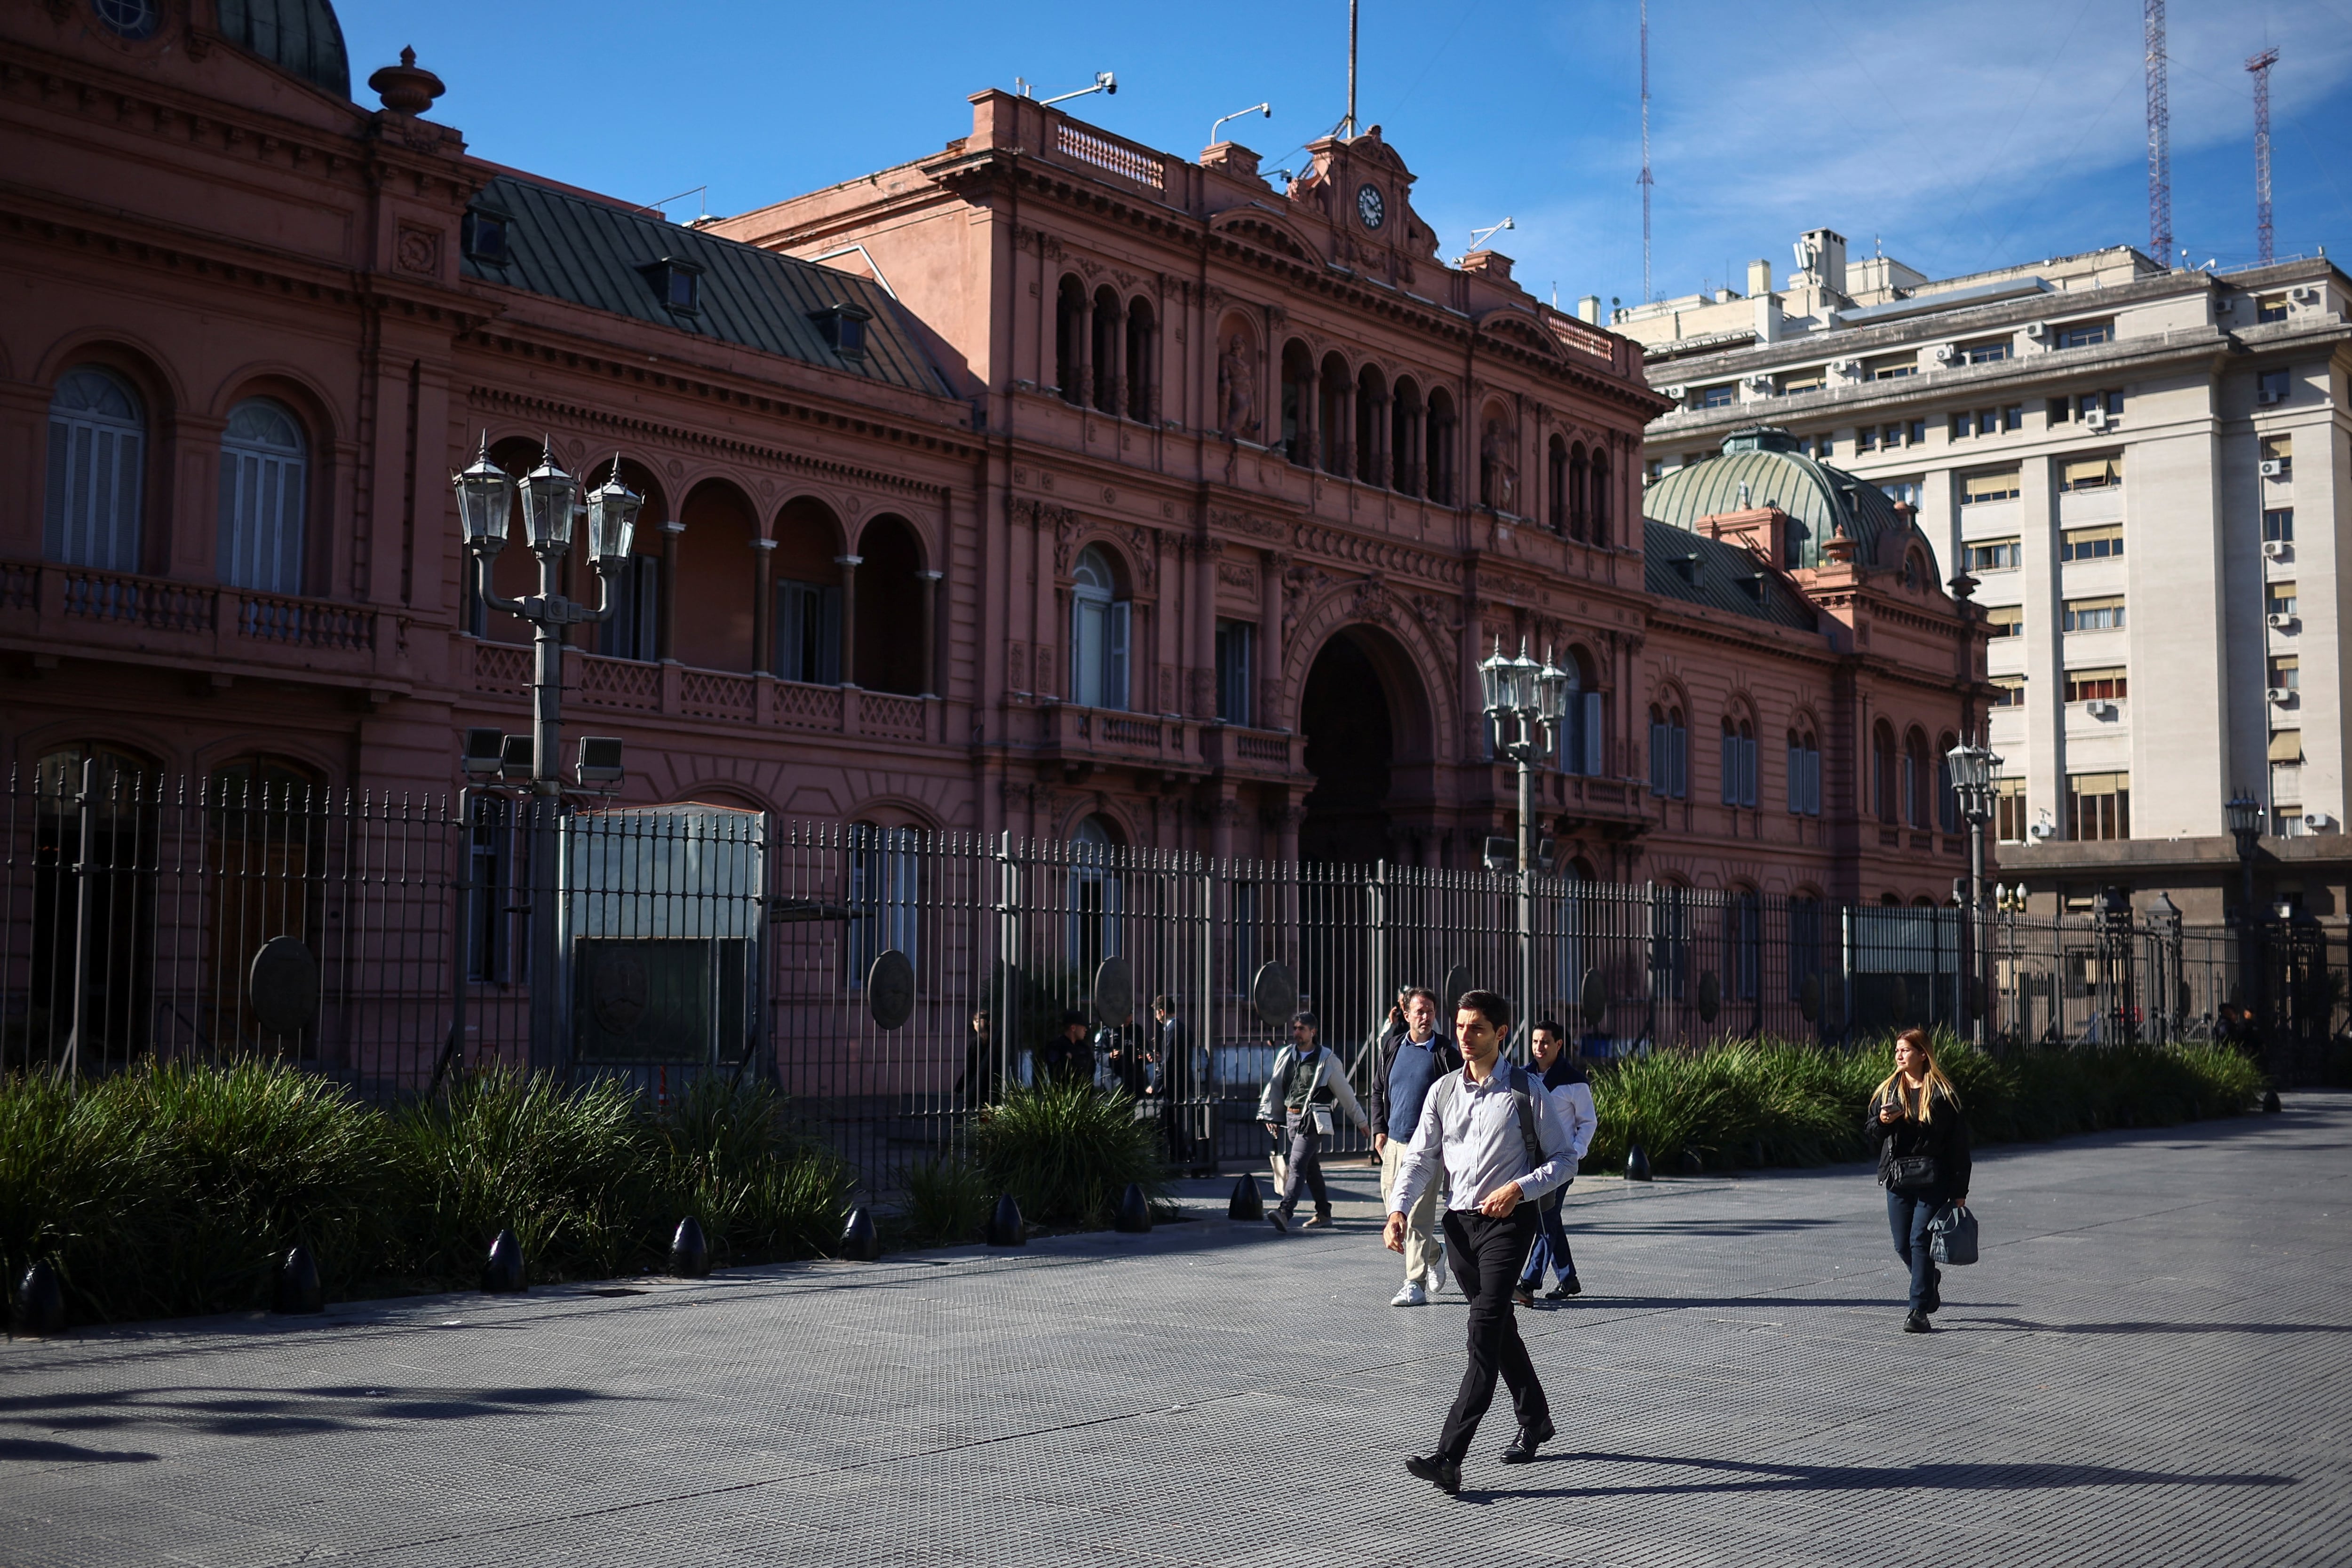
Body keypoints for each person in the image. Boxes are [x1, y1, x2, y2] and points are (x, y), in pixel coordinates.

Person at [1387, 990, 1579, 1495]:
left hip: (1508, 1224)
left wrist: (1519, 1188)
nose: (1464, 1037)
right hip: (1459, 1226)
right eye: (1460, 1026)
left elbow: (1563, 1159)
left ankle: (1449, 1456)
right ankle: (1535, 1418)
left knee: (1482, 1333)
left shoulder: (1525, 1090)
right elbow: (1422, 1157)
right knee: (1499, 1329)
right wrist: (1398, 1209)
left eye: (1476, 1028)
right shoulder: (1443, 1091)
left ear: (1500, 1032)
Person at [1867, 1027, 1971, 1334]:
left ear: (1923, 1055)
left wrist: (1959, 1190)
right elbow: (1871, 1134)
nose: (1899, 1055)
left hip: (1932, 1180)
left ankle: (1918, 1311)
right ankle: (1928, 1280)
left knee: (1919, 1242)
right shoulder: (1888, 1091)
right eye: (1897, 1050)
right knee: (1902, 1245)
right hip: (1898, 1178)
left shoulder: (1942, 1094)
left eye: (1906, 1050)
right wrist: (1883, 1122)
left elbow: (1959, 1145)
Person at [1366, 986, 1461, 1306]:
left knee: (1419, 1216)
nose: (1426, 1017)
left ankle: (1414, 1283)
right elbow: (1379, 1088)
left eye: (1430, 1011)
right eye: (1419, 1011)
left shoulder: (1446, 1053)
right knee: (1396, 1214)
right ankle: (1435, 1254)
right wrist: (1379, 1129)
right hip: (1394, 1144)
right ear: (1406, 1015)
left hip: (1428, 1148)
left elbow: (1459, 1100)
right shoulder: (1393, 1047)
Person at [1255, 1010, 1369, 1231]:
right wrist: (1270, 1114)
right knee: (1311, 1169)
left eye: (1302, 1029)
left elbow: (1346, 1094)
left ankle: (1285, 1212)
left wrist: (1361, 1121)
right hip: (1291, 1117)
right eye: (1295, 1028)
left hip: (1312, 1120)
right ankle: (1324, 1213)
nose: (1297, 1033)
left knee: (1297, 1164)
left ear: (1313, 1032)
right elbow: (1276, 1086)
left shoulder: (1327, 1060)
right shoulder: (1287, 1055)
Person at [1514, 1019, 1595, 1304]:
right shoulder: (1524, 1076)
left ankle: (1528, 1282)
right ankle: (1568, 1279)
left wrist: (1576, 1152)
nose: (1539, 1047)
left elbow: (1588, 1122)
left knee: (1545, 1219)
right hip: (1533, 1163)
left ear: (1559, 1045)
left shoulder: (1574, 1081)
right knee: (1550, 1219)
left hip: (1561, 1162)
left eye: (1545, 1042)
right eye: (1535, 1042)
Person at [1036, 1009, 1093, 1085]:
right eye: (1083, 1027)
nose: (1086, 1030)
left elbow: (1091, 1070)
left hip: (1084, 1095)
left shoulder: (1084, 1048)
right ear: (1073, 1028)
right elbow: (1057, 1073)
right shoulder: (1057, 1047)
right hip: (1064, 1095)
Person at [954, 1007, 995, 1109]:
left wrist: (958, 1088)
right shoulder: (996, 1041)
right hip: (994, 1085)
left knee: (980, 1115)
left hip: (978, 1086)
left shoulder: (976, 1043)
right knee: (990, 1115)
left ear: (976, 1022)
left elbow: (970, 1067)